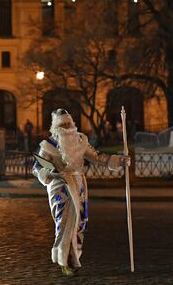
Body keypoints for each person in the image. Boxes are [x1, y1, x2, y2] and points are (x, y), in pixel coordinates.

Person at [33, 109, 130, 277]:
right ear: (56, 126)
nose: (67, 126)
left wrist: (119, 160)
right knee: (63, 224)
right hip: (59, 186)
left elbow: (99, 157)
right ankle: (65, 261)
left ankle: (74, 257)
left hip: (79, 185)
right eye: (63, 124)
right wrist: (50, 174)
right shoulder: (48, 145)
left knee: (79, 223)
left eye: (68, 123)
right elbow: (37, 167)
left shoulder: (81, 140)